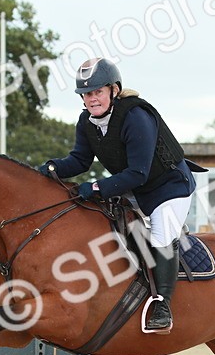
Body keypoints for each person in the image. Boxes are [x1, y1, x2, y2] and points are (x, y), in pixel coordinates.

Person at [39, 58, 205, 334]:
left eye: (97, 92)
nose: (91, 99)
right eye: (86, 94)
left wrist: (95, 188)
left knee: (162, 235)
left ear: (114, 90)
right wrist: (51, 168)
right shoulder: (87, 121)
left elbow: (138, 172)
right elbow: (80, 161)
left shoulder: (136, 117)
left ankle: (163, 305)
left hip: (169, 187)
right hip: (136, 187)